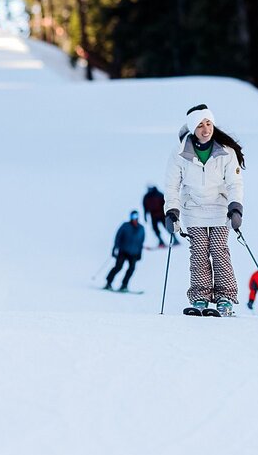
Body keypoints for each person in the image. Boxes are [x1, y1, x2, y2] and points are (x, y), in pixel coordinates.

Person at [163, 104, 245, 315]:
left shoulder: (226, 152)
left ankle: (225, 297)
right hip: (193, 210)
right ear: (192, 128)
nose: (206, 129)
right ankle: (200, 296)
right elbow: (172, 186)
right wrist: (172, 211)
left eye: (208, 123)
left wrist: (235, 208)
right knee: (199, 253)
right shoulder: (180, 153)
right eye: (200, 125)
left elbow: (235, 183)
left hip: (220, 209)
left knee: (219, 251)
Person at [104, 210, 145, 292]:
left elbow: (141, 241)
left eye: (136, 216)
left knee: (131, 269)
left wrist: (140, 253)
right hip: (123, 250)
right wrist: (115, 248)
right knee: (118, 267)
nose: (134, 218)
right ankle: (108, 282)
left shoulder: (141, 228)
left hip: (134, 252)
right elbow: (118, 237)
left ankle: (124, 285)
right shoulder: (125, 226)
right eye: (133, 216)